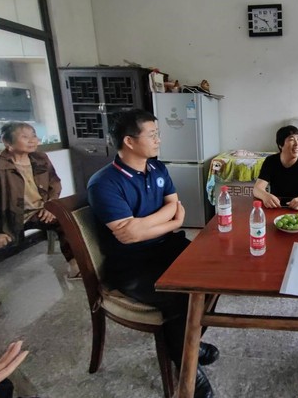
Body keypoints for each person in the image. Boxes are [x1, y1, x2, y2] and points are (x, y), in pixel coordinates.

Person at [86, 109, 216, 398]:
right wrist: (172, 221)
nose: (159, 139)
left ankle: (189, 342)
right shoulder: (104, 183)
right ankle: (187, 367)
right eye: (153, 134)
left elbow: (172, 204)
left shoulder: (157, 168)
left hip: (166, 247)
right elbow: (129, 236)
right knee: (182, 297)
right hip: (132, 264)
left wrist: (156, 223)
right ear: (129, 141)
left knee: (213, 277)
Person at [0, 122, 79, 279]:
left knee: (68, 221)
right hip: (12, 217)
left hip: (41, 211)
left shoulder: (40, 158)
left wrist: (51, 206)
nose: (32, 140)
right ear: (7, 141)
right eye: (25, 137)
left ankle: (75, 266)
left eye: (34, 136)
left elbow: (55, 183)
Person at [253, 125, 298, 210]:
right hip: (276, 207)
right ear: (280, 145)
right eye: (291, 139)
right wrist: (265, 196)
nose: (297, 144)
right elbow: (257, 188)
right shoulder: (271, 161)